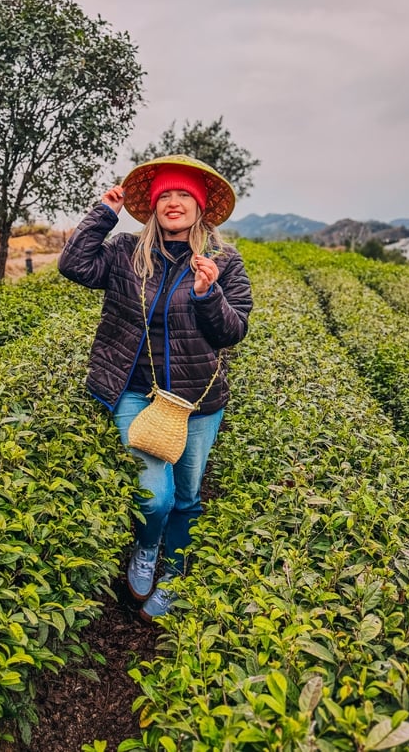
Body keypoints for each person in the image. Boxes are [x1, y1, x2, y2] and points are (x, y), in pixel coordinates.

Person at [58, 154, 253, 621]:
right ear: (152, 205)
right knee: (154, 495)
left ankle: (174, 567)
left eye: (184, 194)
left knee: (186, 495)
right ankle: (146, 548)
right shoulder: (126, 250)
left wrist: (210, 295)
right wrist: (103, 213)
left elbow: (233, 331)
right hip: (135, 391)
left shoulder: (223, 260)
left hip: (197, 401)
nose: (174, 202)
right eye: (166, 193)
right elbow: (74, 265)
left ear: (200, 205)